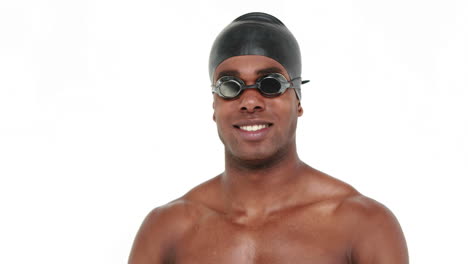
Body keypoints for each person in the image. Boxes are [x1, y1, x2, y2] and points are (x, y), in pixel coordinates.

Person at [128, 12, 408, 264]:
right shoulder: (167, 230)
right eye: (230, 86)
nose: (250, 101)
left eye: (271, 84)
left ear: (298, 99)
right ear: (214, 105)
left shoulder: (363, 225)